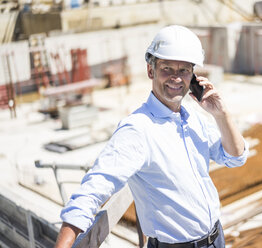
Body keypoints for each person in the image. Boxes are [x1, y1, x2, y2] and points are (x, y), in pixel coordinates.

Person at [55, 25, 249, 248]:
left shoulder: (193, 118)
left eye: (184, 70)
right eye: (167, 68)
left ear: (193, 77)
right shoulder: (137, 130)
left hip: (216, 239)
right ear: (151, 70)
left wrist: (221, 115)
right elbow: (93, 189)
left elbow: (236, 157)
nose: (176, 78)